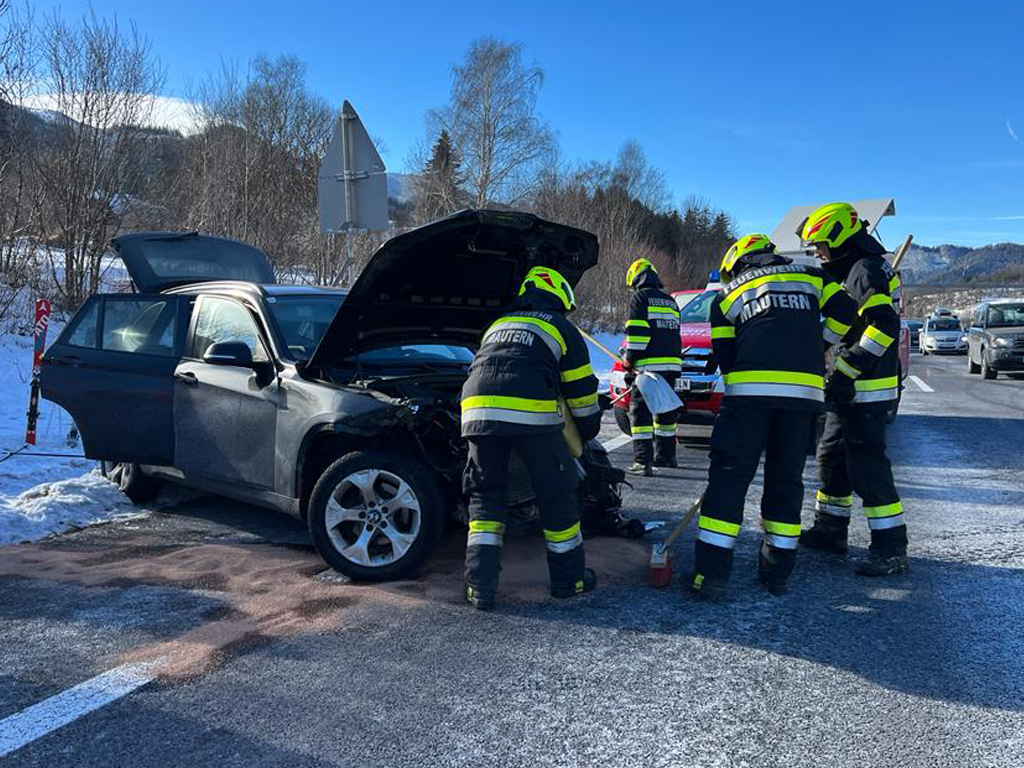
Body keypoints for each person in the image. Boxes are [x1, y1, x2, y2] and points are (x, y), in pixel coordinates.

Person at [691, 234, 859, 599]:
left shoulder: (727, 296)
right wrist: (820, 343)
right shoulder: (813, 277)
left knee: (729, 481)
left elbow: (725, 353)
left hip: (748, 397)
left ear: (737, 264)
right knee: (786, 480)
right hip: (803, 397)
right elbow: (848, 312)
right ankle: (777, 573)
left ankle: (711, 576)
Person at [460, 266, 601, 610]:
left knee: (486, 501)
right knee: (556, 496)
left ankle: (479, 588)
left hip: (476, 415)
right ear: (560, 297)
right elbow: (582, 396)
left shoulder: (497, 325)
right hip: (532, 416)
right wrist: (587, 434)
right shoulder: (560, 327)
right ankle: (570, 581)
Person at [798, 202, 909, 576]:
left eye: (821, 247)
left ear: (840, 239)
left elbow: (883, 326)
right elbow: (848, 325)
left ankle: (890, 549)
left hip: (867, 389)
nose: (818, 254)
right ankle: (830, 531)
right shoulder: (860, 269)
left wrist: (846, 372)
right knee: (831, 456)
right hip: (852, 389)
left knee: (868, 467)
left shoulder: (863, 271)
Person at [622, 258, 682, 476]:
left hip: (648, 368)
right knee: (665, 413)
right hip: (672, 366)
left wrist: (629, 360)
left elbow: (637, 333)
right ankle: (667, 457)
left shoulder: (640, 298)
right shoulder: (671, 301)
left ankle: (642, 461)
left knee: (641, 415)